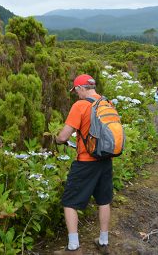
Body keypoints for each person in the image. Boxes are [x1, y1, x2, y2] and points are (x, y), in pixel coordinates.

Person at [55, 74, 112, 255]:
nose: (76, 94)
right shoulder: (107, 103)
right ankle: (103, 241)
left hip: (86, 162)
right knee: (104, 200)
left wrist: (57, 139)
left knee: (69, 201)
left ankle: (73, 247)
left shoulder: (80, 105)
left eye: (76, 91)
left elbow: (64, 136)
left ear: (81, 88)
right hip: (105, 160)